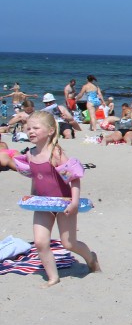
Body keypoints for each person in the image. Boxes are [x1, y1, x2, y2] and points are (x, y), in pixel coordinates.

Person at [13, 111, 100, 286]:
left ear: (51, 130)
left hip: (64, 203)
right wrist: (32, 197)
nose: (31, 131)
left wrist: (74, 202)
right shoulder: (30, 154)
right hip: (43, 204)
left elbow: (74, 178)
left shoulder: (56, 153)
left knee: (68, 243)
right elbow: (36, 178)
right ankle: (53, 277)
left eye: (36, 128)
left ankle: (91, 258)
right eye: (28, 128)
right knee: (40, 242)